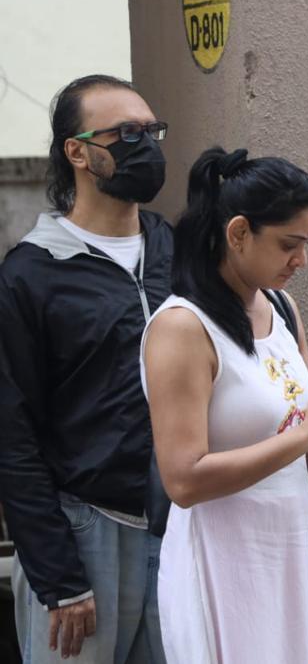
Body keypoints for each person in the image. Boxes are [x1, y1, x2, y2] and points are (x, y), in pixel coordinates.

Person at [140, 147, 308, 664]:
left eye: (307, 243)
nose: (302, 260)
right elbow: (182, 480)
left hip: (282, 550)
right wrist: (305, 435)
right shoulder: (182, 328)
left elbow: (306, 452)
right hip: (221, 561)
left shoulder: (282, 308)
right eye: (290, 244)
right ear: (238, 232)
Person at [0, 74, 171, 663]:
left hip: (179, 528)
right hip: (83, 533)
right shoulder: (30, 273)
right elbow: (11, 433)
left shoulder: (174, 251)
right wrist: (57, 574)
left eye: (152, 131)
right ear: (76, 151)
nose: (145, 144)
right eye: (126, 133)